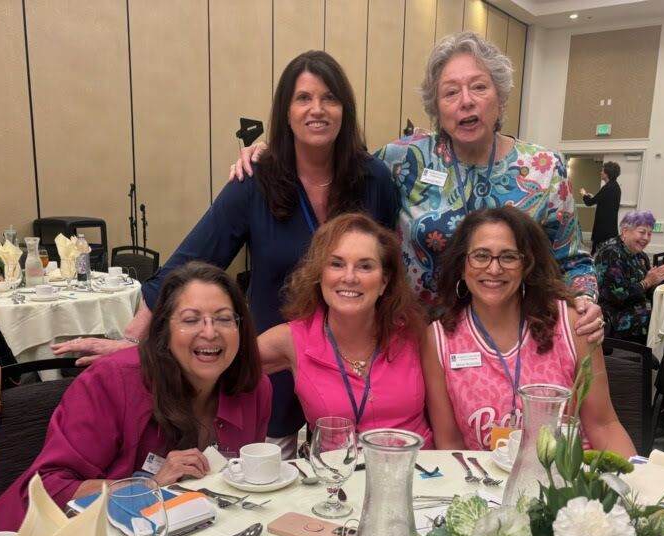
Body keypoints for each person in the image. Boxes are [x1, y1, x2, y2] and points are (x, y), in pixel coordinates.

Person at [51, 51, 398, 455]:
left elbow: (390, 270)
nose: (316, 109)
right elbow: (191, 260)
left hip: (355, 362)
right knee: (272, 481)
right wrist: (133, 340)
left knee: (354, 478)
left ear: (345, 109)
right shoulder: (255, 181)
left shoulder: (375, 181)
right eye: (303, 98)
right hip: (274, 357)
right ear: (285, 112)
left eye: (329, 98)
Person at [232, 32, 604, 340]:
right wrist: (271, 153)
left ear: (500, 97)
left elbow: (571, 261)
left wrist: (585, 298)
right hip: (415, 340)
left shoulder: (542, 170)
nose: (466, 102)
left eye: (479, 87)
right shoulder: (402, 160)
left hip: (509, 344)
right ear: (436, 106)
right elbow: (339, 162)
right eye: (450, 92)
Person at [0, 263, 272, 532]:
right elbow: (48, 488)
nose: (210, 332)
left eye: (224, 319)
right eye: (191, 320)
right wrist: (146, 487)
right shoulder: (112, 382)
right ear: (164, 331)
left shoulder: (253, 389)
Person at [423, 206, 634, 456]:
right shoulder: (439, 340)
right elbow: (450, 445)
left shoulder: (573, 324)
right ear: (462, 265)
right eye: (480, 256)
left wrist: (634, 488)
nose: (493, 269)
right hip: (486, 486)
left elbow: (604, 425)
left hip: (569, 483)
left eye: (509, 257)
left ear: (527, 265)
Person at [258, 213, 433, 446]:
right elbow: (219, 371)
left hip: (418, 474)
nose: (349, 277)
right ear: (319, 275)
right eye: (337, 264)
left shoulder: (416, 334)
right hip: (337, 477)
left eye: (365, 266)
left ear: (384, 282)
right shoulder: (293, 339)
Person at [594, 210, 664, 344]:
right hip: (615, 317)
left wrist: (657, 282)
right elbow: (617, 297)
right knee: (663, 321)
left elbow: (645, 291)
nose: (646, 238)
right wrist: (647, 282)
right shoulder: (610, 253)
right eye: (642, 232)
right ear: (625, 231)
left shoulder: (640, 256)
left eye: (649, 234)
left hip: (637, 309)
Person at [580, 161, 621, 251]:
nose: (601, 172)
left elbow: (589, 202)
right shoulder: (615, 186)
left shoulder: (608, 187)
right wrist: (594, 197)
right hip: (609, 227)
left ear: (607, 173)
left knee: (597, 251)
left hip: (603, 228)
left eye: (602, 170)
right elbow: (606, 201)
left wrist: (584, 194)